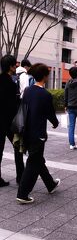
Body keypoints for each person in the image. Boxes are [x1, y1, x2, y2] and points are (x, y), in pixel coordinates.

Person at [16, 63, 60, 204]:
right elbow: (50, 113)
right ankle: (23, 194)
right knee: (33, 162)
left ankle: (50, 184)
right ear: (45, 76)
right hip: (38, 134)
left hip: (26, 131)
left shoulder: (28, 90)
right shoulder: (45, 94)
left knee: (38, 159)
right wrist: (55, 123)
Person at [0, 54, 21, 186]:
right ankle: (21, 177)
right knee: (18, 147)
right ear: (10, 67)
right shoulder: (11, 84)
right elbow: (14, 106)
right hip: (9, 122)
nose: (16, 66)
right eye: (15, 64)